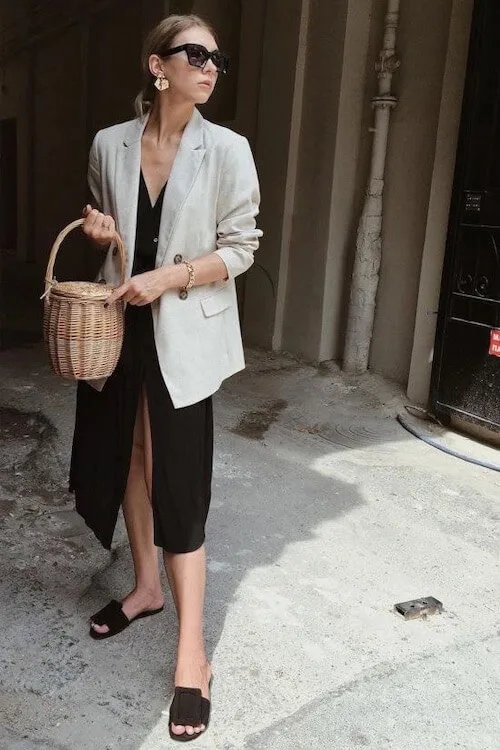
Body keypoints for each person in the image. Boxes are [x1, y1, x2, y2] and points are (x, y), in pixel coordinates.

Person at [69, 13, 261, 742]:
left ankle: (192, 657)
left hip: (185, 335)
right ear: (160, 66)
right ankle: (146, 587)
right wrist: (104, 235)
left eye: (218, 58)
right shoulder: (109, 144)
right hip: (120, 329)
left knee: (180, 482)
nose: (211, 67)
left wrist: (171, 276)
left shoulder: (229, 150)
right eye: (197, 54)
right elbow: (109, 227)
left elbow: (240, 248)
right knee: (132, 459)